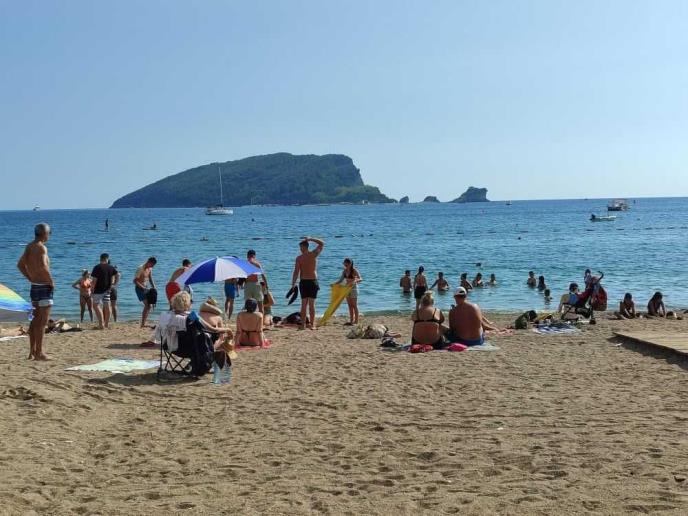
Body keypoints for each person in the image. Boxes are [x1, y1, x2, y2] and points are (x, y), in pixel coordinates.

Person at [16, 223, 53, 360]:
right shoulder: (41, 247)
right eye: (49, 233)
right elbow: (43, 266)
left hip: (35, 287)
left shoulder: (29, 246)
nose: (49, 235)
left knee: (35, 321)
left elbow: (20, 265)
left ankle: (32, 352)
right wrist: (51, 281)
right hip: (44, 286)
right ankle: (39, 353)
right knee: (42, 322)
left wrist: (30, 278)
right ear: (45, 234)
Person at [291, 237, 325, 330]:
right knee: (305, 304)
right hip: (306, 282)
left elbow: (322, 243)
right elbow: (296, 272)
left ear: (305, 247)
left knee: (310, 304)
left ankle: (310, 324)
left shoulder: (311, 255)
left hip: (310, 282)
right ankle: (305, 324)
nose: (300, 249)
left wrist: (310, 239)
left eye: (301, 247)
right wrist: (293, 284)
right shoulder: (307, 256)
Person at [90, 253, 120, 329]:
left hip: (98, 290)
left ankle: (101, 324)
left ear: (100, 259)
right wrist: (114, 284)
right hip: (107, 290)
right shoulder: (111, 267)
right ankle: (106, 324)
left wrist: (92, 289)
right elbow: (118, 275)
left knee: (96, 305)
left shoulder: (97, 267)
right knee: (107, 306)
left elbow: (94, 280)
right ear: (107, 259)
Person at [334, 258, 363, 325]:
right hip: (346, 289)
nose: (345, 266)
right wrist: (334, 284)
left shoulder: (354, 270)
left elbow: (361, 279)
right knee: (350, 306)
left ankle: (356, 321)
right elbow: (340, 280)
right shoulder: (344, 271)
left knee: (354, 305)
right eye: (344, 264)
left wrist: (355, 280)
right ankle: (351, 321)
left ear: (350, 264)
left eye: (346, 265)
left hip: (353, 289)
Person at [134, 256, 157, 328]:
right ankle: (143, 324)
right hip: (139, 288)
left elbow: (150, 278)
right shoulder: (140, 268)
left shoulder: (150, 268)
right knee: (147, 305)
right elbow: (135, 281)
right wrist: (143, 288)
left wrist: (154, 287)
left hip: (146, 288)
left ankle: (143, 323)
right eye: (152, 265)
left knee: (149, 306)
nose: (152, 267)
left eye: (153, 265)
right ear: (148, 262)